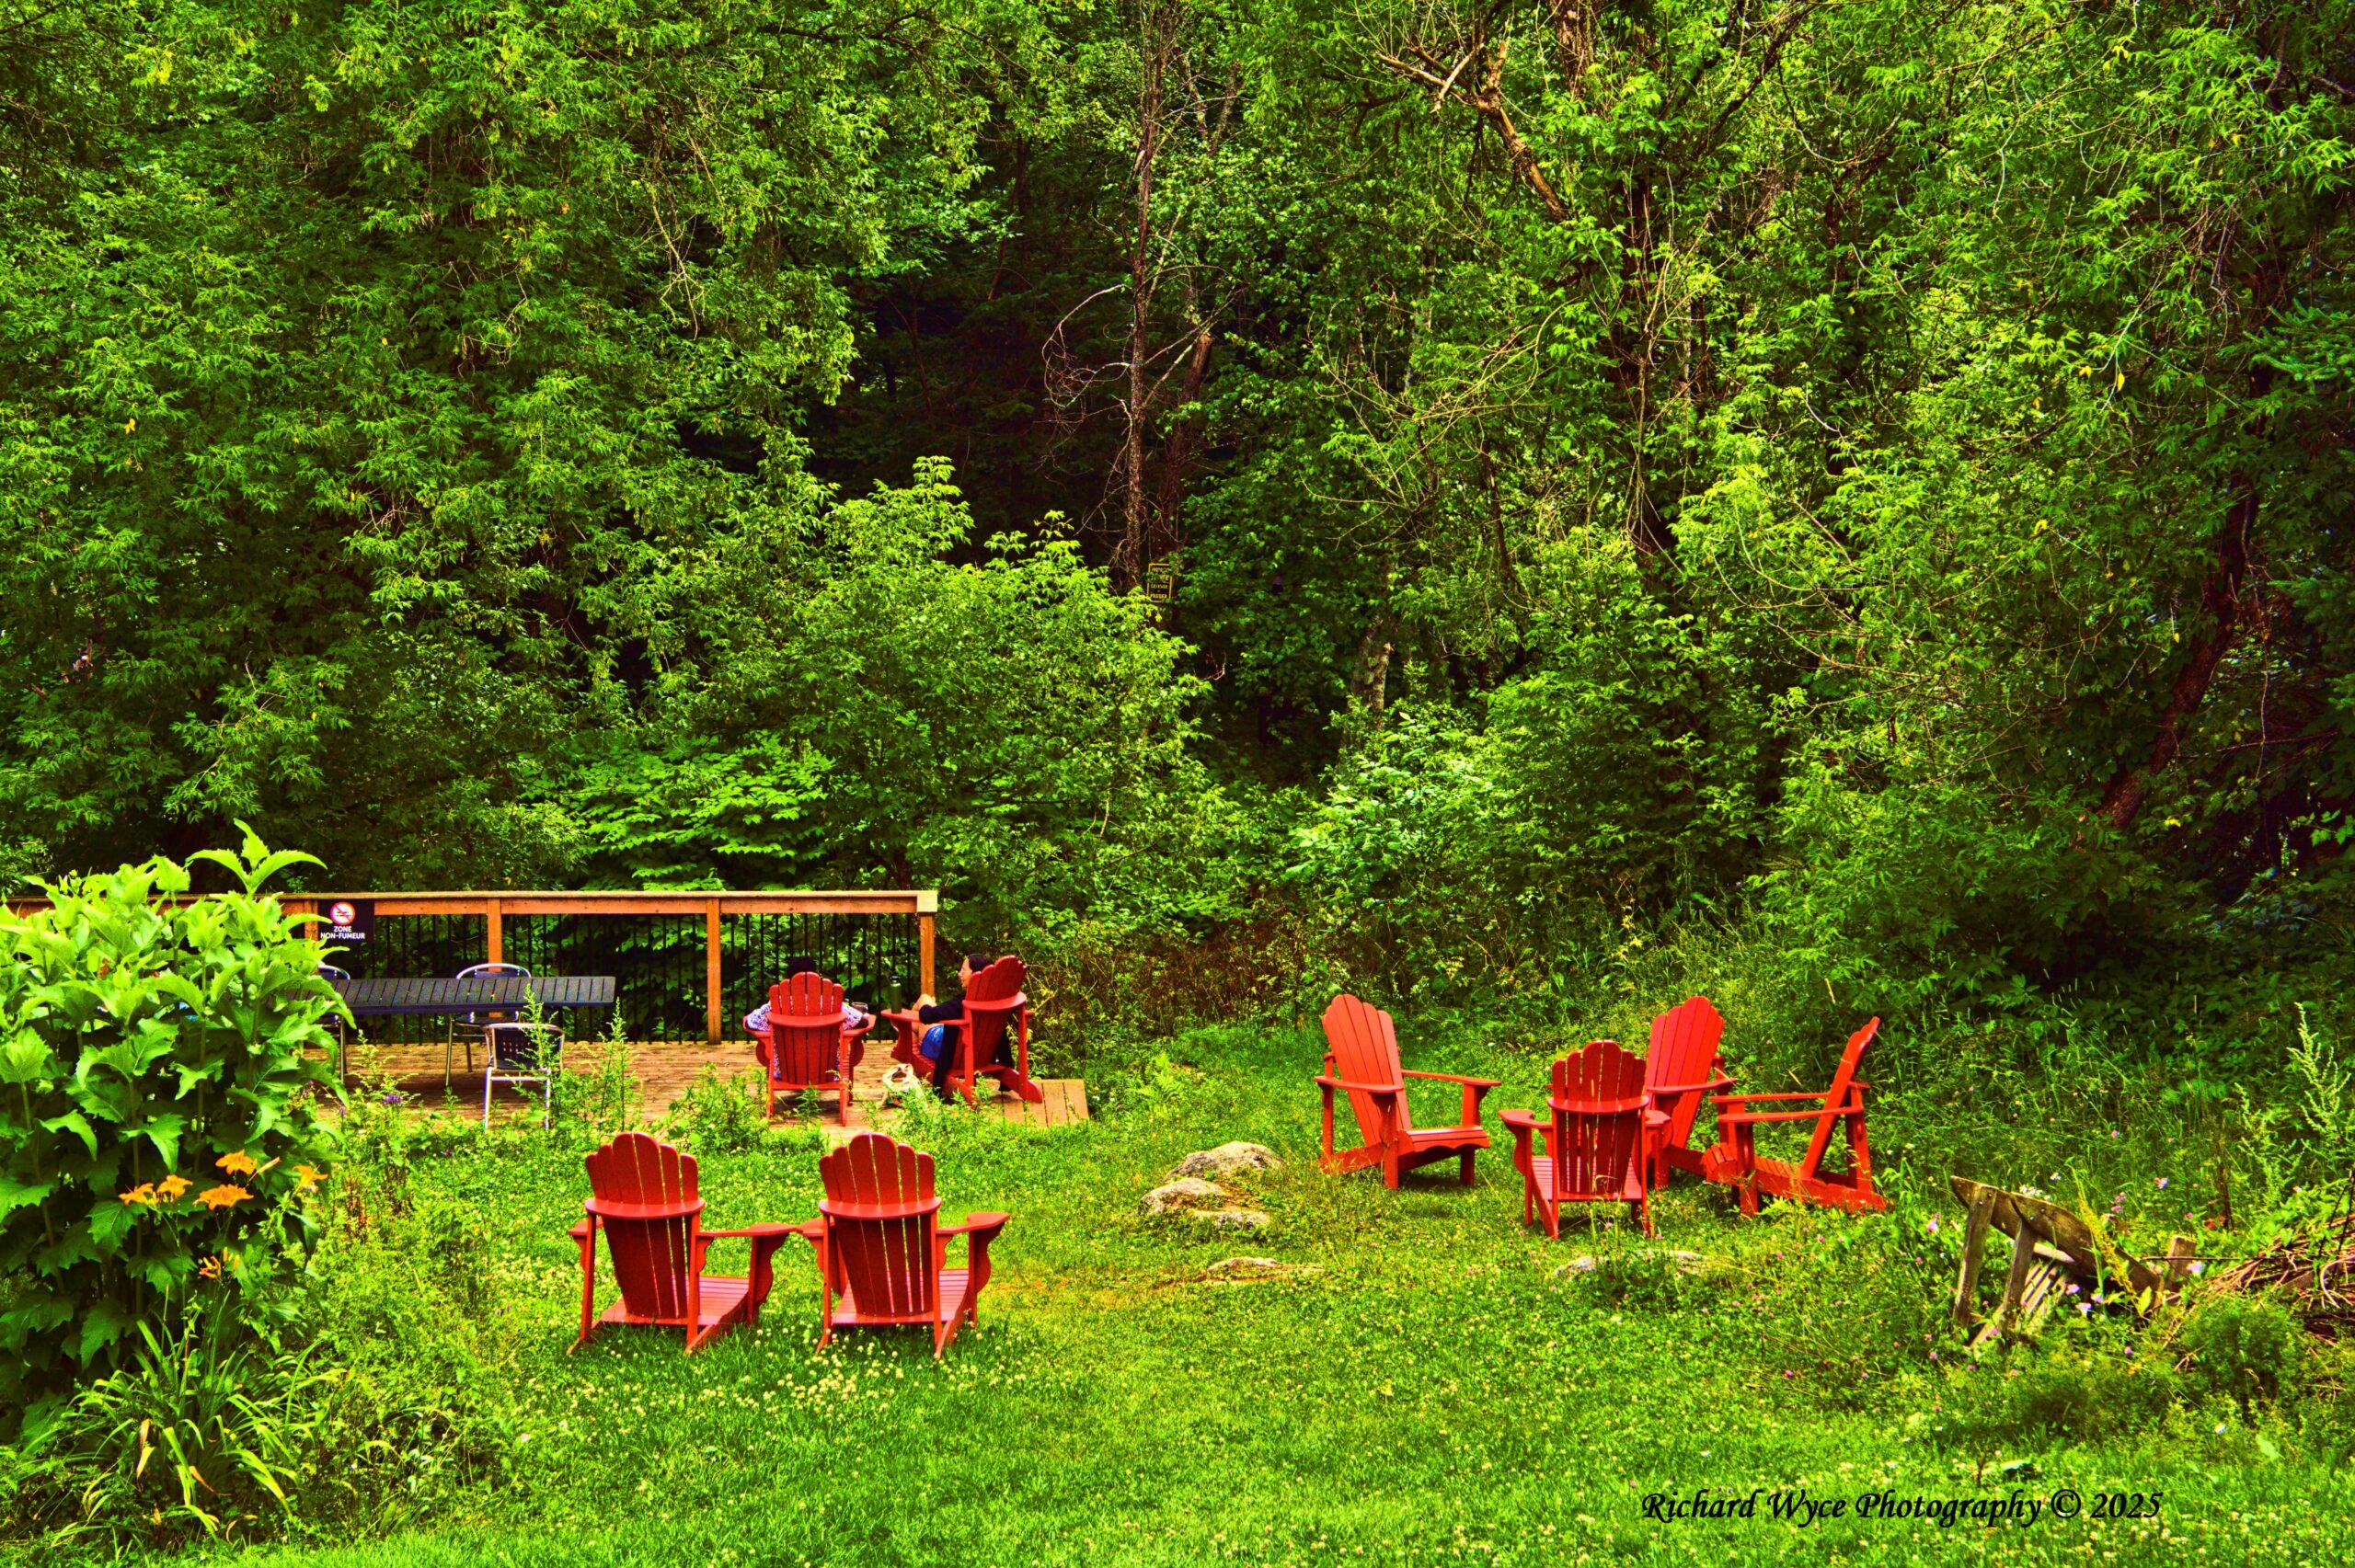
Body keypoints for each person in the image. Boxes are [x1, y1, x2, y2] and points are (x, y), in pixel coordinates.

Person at [913, 952, 995, 1098]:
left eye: (964, 970)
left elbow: (926, 1016)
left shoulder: (960, 1003)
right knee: (922, 1015)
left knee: (925, 999)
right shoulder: (995, 1000)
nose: (959, 974)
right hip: (980, 1051)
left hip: (947, 1049)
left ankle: (904, 1032)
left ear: (976, 974)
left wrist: (925, 1006)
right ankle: (908, 1029)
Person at [741, 955, 871, 1037]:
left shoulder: (778, 1005)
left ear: (789, 979)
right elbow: (862, 1021)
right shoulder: (829, 1004)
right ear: (815, 977)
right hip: (826, 1073)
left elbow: (749, 1022)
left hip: (785, 1074)